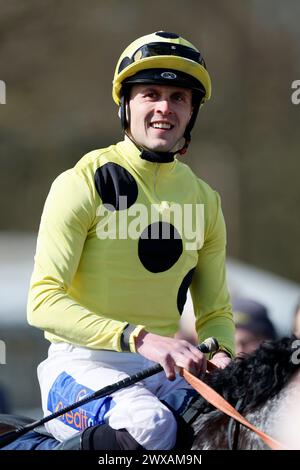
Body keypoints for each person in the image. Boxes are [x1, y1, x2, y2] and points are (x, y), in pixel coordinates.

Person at [27, 31, 235, 450]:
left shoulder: (206, 201)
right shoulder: (80, 183)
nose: (164, 107)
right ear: (126, 105)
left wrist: (222, 356)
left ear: (192, 111)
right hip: (80, 367)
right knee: (149, 425)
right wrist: (140, 338)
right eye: (151, 94)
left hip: (165, 371)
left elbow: (214, 312)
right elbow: (43, 301)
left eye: (179, 97)